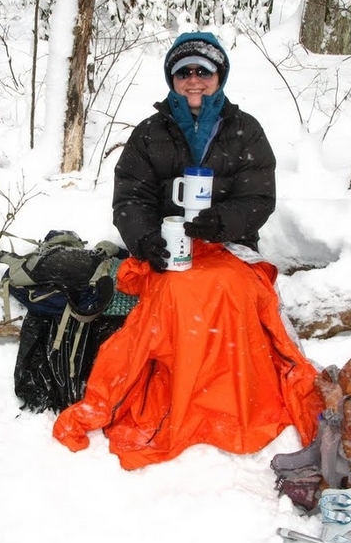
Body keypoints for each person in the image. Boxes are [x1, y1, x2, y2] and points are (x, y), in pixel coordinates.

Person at [52, 32, 323, 470]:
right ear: (172, 79)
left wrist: (223, 224)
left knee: (235, 292)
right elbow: (130, 199)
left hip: (229, 248)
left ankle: (231, 398)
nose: (194, 80)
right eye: (184, 72)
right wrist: (146, 241)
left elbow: (259, 198)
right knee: (175, 297)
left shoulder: (244, 130)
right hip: (167, 248)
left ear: (219, 76)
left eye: (203, 71)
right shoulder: (149, 133)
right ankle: (184, 393)